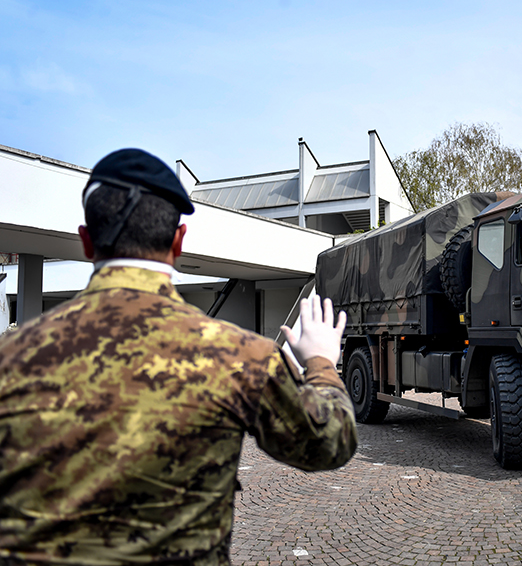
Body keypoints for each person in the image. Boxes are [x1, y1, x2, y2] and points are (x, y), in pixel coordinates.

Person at [0, 149, 358, 564]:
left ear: (86, 241)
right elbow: (329, 442)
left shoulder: (12, 355)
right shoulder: (240, 356)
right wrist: (320, 361)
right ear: (178, 241)